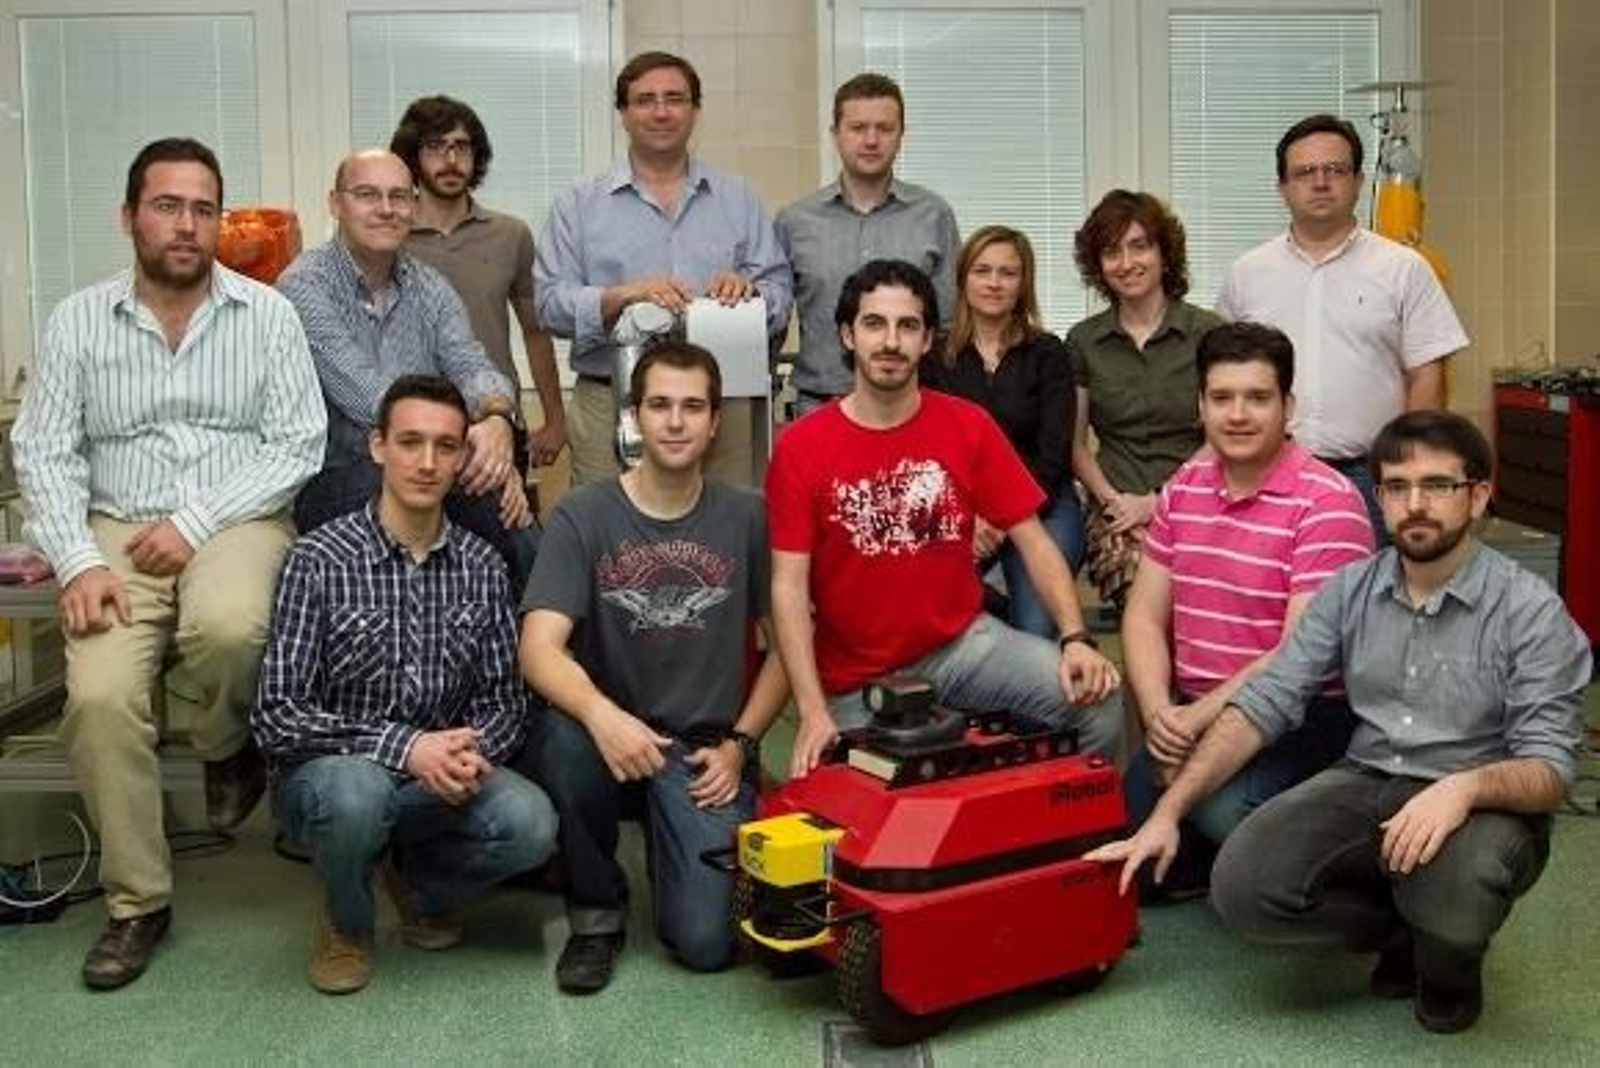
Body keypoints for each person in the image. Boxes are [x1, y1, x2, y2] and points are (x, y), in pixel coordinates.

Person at [1089, 410, 1592, 1034]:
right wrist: (1168, 813)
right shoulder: (1351, 590)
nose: (1416, 505)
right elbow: (1266, 702)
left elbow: (1551, 771)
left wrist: (1463, 789)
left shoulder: (1530, 611)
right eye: (1397, 487)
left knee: (1459, 895)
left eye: (1438, 485)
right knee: (1243, 887)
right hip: (1369, 775)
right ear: (1378, 498)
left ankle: (1449, 967)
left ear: (1479, 495)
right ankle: (1398, 931)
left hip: (1480, 798)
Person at [11, 137, 326, 990]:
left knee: (232, 626)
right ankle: (137, 903)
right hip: (114, 529)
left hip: (238, 516)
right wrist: (77, 561)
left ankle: (227, 746)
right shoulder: (79, 319)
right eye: (167, 206)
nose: (187, 225)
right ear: (129, 217)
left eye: (202, 209)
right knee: (99, 698)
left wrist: (193, 522)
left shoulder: (268, 315)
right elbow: (44, 450)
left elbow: (298, 443)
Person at [253, 375, 557, 996]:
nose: (427, 463)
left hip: (438, 779)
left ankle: (416, 886)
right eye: (410, 442)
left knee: (531, 823)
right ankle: (346, 921)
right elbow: (277, 714)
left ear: (462, 457)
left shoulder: (482, 566)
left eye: (446, 446)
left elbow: (504, 701)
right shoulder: (317, 560)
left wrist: (466, 752)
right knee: (357, 796)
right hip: (335, 777)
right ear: (377, 447)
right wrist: (407, 748)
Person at [766, 259, 1121, 779]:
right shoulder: (800, 446)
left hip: (962, 645)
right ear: (847, 335)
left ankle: (1053, 823)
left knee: (1098, 700)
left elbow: (1034, 540)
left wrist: (1075, 638)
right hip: (857, 679)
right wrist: (812, 710)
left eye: (908, 326)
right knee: (855, 804)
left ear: (928, 339)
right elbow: (788, 587)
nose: (891, 342)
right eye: (874, 324)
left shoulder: (968, 426)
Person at [519, 342, 787, 995]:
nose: (674, 421)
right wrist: (602, 717)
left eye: (692, 407)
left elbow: (788, 651)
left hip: (701, 750)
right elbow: (538, 649)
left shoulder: (748, 515)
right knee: (563, 739)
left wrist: (741, 745)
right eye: (659, 404)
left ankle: (672, 853)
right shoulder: (583, 514)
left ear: (715, 421)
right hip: (608, 739)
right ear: (634, 415)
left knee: (706, 944)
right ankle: (596, 914)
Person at [1118, 321, 1373, 896]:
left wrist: (1194, 722)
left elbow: (1294, 658)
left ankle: (1324, 839)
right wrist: (1161, 716)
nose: (1237, 415)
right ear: (1200, 406)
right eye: (1222, 398)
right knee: (1126, 834)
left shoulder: (1328, 503)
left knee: (1222, 815)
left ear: (1288, 407)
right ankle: (1213, 856)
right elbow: (1142, 617)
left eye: (1258, 398)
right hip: (1196, 710)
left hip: (1300, 719)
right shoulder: (1183, 488)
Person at [277, 149, 537, 591]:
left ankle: (544, 633)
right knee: (468, 488)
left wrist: (496, 422)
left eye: (399, 196)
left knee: (507, 509)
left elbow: (470, 363)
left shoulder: (430, 286)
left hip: (429, 465)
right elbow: (369, 398)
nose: (386, 209)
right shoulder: (304, 286)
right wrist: (465, 452)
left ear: (414, 207)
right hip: (336, 480)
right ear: (335, 204)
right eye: (367, 195)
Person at [535, 51, 793, 487]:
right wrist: (619, 297)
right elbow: (548, 305)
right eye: (645, 100)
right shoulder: (577, 204)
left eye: (675, 99)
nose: (661, 112)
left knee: (726, 523)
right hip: (610, 400)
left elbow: (780, 295)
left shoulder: (738, 197)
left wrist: (750, 293)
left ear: (695, 111)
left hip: (720, 405)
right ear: (623, 113)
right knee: (609, 525)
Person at [1217, 113, 1468, 536]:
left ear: (1358, 181)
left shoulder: (1404, 269)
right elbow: (1225, 373)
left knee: (1370, 579)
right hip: (1269, 471)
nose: (1320, 182)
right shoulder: (1247, 273)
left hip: (1371, 475)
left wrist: (1407, 467)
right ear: (1282, 188)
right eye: (1305, 172)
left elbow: (1426, 374)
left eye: (1334, 170)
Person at [391, 94, 567, 470]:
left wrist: (555, 420)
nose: (451, 160)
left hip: (495, 420)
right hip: (412, 424)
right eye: (435, 147)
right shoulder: (388, 238)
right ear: (412, 157)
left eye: (462, 146)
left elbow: (536, 333)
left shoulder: (510, 234)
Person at [920, 225, 1080, 637]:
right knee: (926, 600)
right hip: (962, 509)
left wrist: (1004, 518)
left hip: (1044, 503)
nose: (994, 283)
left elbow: (1054, 453)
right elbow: (930, 453)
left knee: (1036, 626)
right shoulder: (934, 356)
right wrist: (968, 518)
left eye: (1008, 273)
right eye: (982, 271)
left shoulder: (1048, 352)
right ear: (963, 279)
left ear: (1023, 284)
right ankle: (997, 613)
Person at [1067, 190, 1222, 610]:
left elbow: (1221, 438)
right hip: (1115, 504)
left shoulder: (1208, 333)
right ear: (1098, 265)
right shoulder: (1083, 341)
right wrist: (1118, 507)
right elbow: (1076, 447)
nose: (1127, 262)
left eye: (1139, 246)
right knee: (1143, 596)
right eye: (1111, 251)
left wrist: (1158, 502)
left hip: (1199, 500)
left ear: (1164, 254)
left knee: (1203, 597)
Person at [776, 72, 960, 416]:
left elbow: (947, 326)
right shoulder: (794, 221)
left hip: (910, 406)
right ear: (835, 134)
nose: (871, 140)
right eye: (858, 128)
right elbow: (774, 324)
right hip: (819, 406)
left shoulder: (934, 215)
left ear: (901, 135)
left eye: (884, 128)